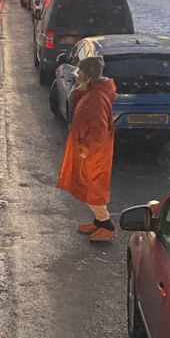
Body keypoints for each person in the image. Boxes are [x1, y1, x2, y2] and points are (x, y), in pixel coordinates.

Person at [56, 56, 117, 242]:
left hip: (93, 155)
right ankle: (98, 222)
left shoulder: (96, 98)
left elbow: (98, 130)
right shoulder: (91, 92)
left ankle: (106, 225)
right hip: (89, 152)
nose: (77, 73)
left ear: (88, 74)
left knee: (93, 191)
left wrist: (85, 150)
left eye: (80, 71)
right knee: (88, 188)